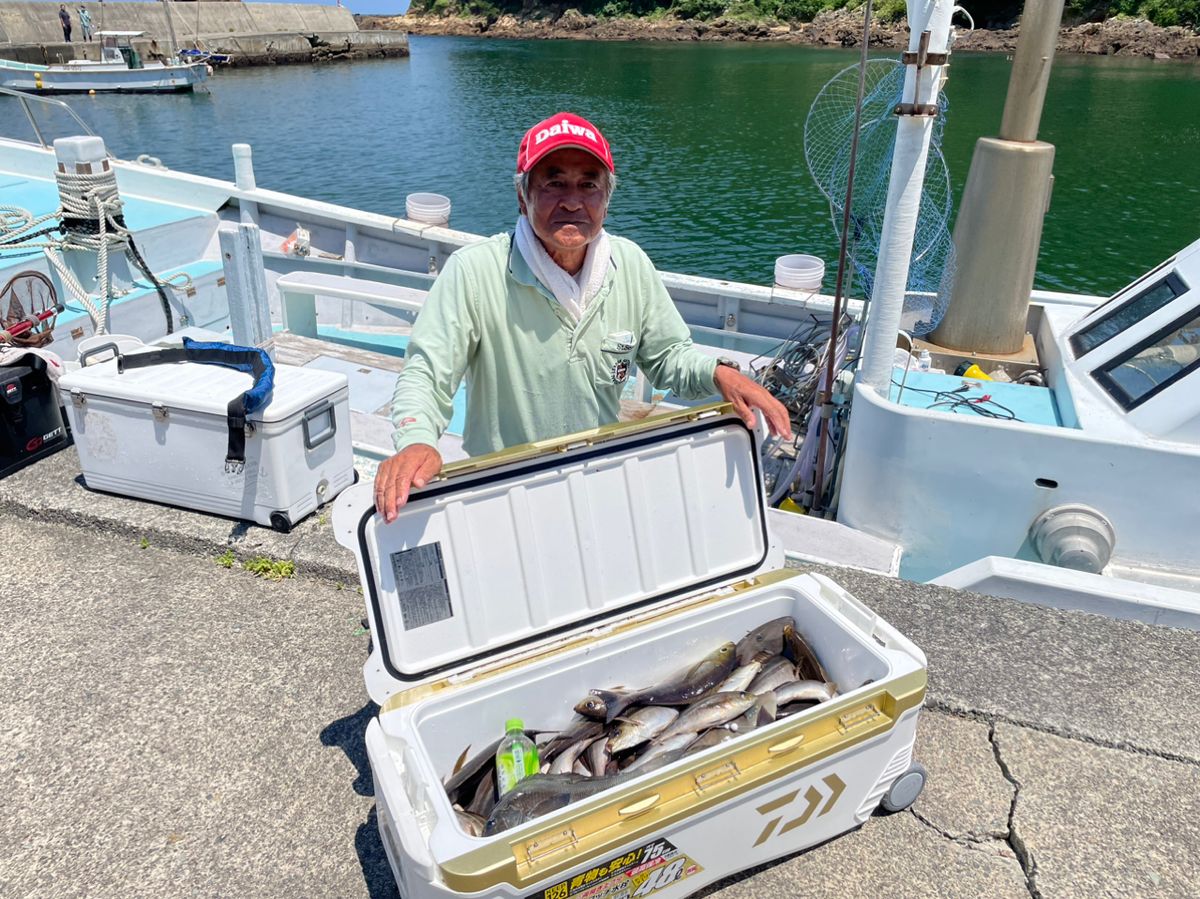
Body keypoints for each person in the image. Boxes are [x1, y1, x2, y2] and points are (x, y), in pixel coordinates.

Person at [375, 112, 791, 521]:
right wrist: (416, 439)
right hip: (502, 490)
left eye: (589, 185)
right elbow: (427, 372)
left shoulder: (630, 265)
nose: (572, 201)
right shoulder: (475, 271)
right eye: (554, 183)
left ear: (606, 199)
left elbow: (668, 357)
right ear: (522, 196)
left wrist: (719, 373)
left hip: (599, 479)